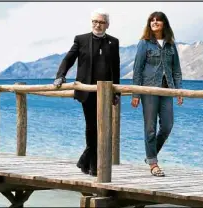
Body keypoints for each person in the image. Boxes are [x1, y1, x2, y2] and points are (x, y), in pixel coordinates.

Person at [53, 8, 120, 176]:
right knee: (92, 127)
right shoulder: (81, 40)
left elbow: (116, 69)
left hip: (105, 93)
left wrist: (116, 93)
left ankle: (85, 163)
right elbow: (68, 59)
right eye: (95, 22)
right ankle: (92, 165)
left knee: (102, 128)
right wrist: (60, 76)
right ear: (92, 23)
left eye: (101, 22)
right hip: (86, 91)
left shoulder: (114, 42)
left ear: (107, 25)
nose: (97, 25)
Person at [131, 11, 183, 177]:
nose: (154, 22)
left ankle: (150, 155)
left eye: (158, 20)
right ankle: (153, 163)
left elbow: (176, 70)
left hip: (167, 89)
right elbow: (137, 69)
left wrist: (179, 91)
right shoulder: (144, 44)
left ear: (164, 23)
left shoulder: (170, 44)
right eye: (152, 20)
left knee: (167, 126)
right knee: (150, 128)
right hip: (148, 90)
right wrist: (136, 93)